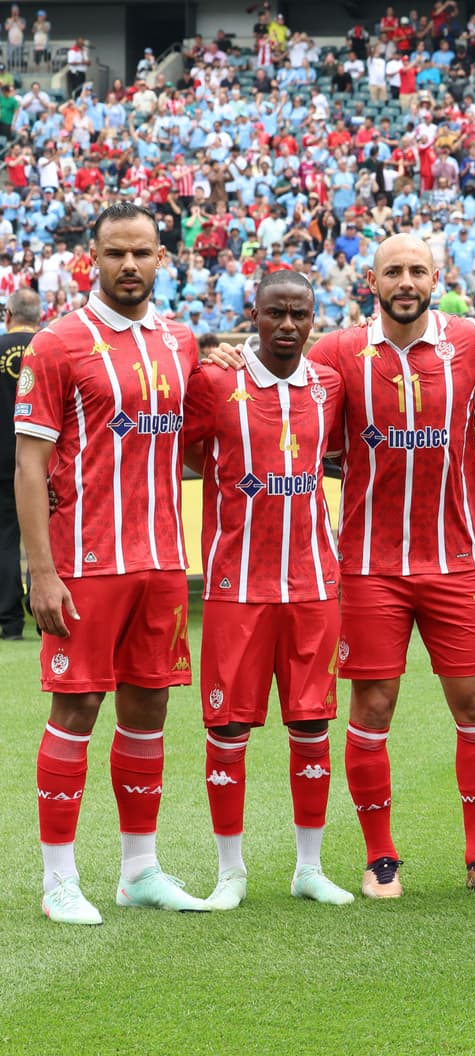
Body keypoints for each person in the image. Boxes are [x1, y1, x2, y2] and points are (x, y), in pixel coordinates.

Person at [303, 235, 475, 900]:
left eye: (416, 271)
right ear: (370, 280)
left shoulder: (473, 344)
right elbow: (284, 401)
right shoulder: (338, 353)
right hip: (369, 565)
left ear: (437, 277)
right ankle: (381, 859)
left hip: (454, 563)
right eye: (393, 271)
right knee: (373, 704)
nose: (405, 281)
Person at [19, 203, 207, 923]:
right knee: (76, 707)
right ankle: (58, 880)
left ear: (163, 259)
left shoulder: (180, 342)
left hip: (160, 560)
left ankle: (139, 870)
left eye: (142, 253)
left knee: (149, 706)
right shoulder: (58, 344)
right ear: (89, 260)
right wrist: (42, 568)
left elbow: (187, 445)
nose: (129, 266)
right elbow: (29, 464)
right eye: (114, 254)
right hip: (86, 563)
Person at [182, 271, 354, 910]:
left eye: (299, 314)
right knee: (228, 729)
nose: (287, 325)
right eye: (275, 313)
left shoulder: (329, 384)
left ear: (314, 319)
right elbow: (188, 449)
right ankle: (232, 872)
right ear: (252, 315)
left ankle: (308, 867)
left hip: (313, 584)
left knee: (311, 723)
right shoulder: (216, 381)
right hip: (238, 587)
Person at [0, 287, 41, 640]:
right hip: (43, 455)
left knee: (5, 538)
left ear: (8, 315)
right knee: (45, 536)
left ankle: (10, 623)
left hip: (1, 456)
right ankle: (45, 618)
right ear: (39, 317)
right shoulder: (51, 346)